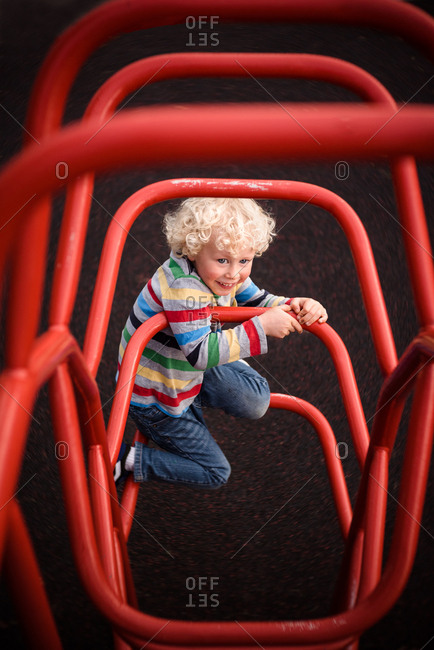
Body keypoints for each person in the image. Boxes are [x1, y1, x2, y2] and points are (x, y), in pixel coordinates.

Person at [114, 197, 327, 488]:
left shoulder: (224, 274)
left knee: (256, 401)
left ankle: (225, 352)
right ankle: (127, 460)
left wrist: (294, 304)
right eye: (223, 260)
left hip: (186, 367)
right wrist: (261, 327)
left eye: (244, 261)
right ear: (194, 250)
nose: (233, 273)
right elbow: (200, 354)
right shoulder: (183, 286)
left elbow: (257, 299)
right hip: (157, 395)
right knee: (215, 472)